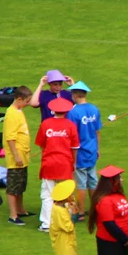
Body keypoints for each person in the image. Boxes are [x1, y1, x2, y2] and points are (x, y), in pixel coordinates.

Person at [35, 98, 80, 234]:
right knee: (66, 194)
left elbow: (42, 145)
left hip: (49, 164)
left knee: (48, 194)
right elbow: (75, 147)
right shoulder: (71, 125)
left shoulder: (45, 124)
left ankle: (46, 224)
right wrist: (74, 163)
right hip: (65, 164)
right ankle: (65, 222)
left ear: (53, 110)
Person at [67, 82, 102, 217]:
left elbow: (72, 135)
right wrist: (97, 149)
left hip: (80, 153)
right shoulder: (94, 109)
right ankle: (95, 210)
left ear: (75, 95)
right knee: (92, 180)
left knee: (81, 183)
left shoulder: (73, 112)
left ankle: (80, 211)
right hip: (92, 151)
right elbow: (97, 132)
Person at [2, 86, 34, 226]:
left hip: (23, 154)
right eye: (27, 101)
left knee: (21, 184)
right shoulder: (12, 114)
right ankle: (13, 215)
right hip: (17, 156)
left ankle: (20, 210)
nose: (28, 104)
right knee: (13, 186)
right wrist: (16, 156)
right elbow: (10, 138)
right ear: (19, 99)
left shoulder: (18, 111)